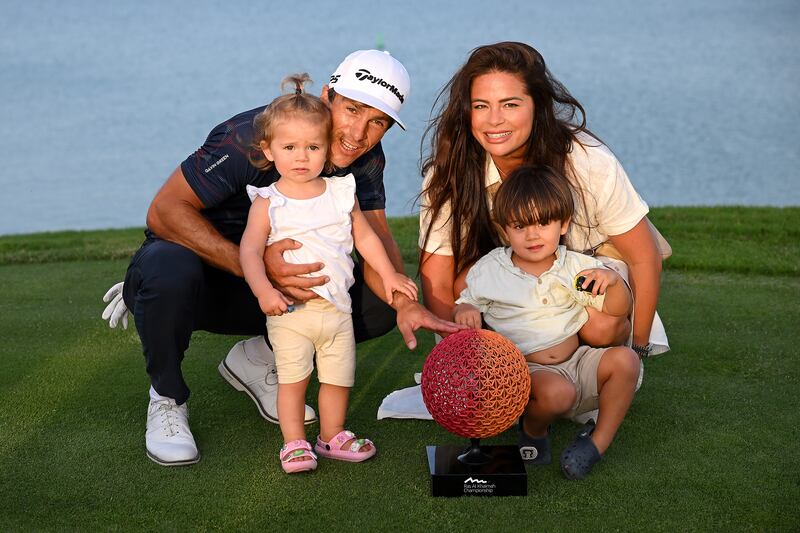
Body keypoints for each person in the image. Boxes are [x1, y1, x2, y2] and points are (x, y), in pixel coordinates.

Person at [102, 49, 462, 467]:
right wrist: (257, 269)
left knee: (380, 302)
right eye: (352, 109)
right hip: (202, 275)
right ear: (328, 95)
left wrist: (405, 302)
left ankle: (259, 358)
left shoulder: (364, 158)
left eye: (377, 122)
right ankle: (167, 396)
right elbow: (164, 211)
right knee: (167, 270)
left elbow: (375, 236)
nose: (358, 133)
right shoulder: (249, 137)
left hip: (280, 292)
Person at [419, 41, 669, 357]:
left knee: (599, 323)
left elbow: (644, 257)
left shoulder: (587, 160)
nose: (494, 120)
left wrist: (640, 347)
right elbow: (438, 282)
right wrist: (458, 363)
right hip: (514, 271)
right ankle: (515, 372)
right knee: (463, 287)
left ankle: (593, 369)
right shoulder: (449, 176)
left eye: (510, 104)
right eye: (481, 105)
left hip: (589, 269)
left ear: (537, 105)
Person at [239, 74, 418, 473]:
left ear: (326, 148)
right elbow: (250, 251)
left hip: (337, 310)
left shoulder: (341, 192)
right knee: (293, 380)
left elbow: (366, 238)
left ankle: (331, 434)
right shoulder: (268, 202)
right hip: (292, 313)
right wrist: (263, 290)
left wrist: (389, 275)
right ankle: (294, 443)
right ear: (269, 151)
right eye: (290, 148)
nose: (301, 157)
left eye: (313, 147)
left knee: (338, 377)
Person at [453, 166, 640, 479]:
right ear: (504, 229)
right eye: (520, 225)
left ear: (563, 223)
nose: (532, 234)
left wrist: (614, 282)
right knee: (558, 394)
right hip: (529, 370)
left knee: (626, 360)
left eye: (544, 222)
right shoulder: (491, 269)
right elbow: (467, 301)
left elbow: (618, 309)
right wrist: (466, 311)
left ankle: (596, 444)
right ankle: (534, 429)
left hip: (578, 359)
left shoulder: (575, 267)